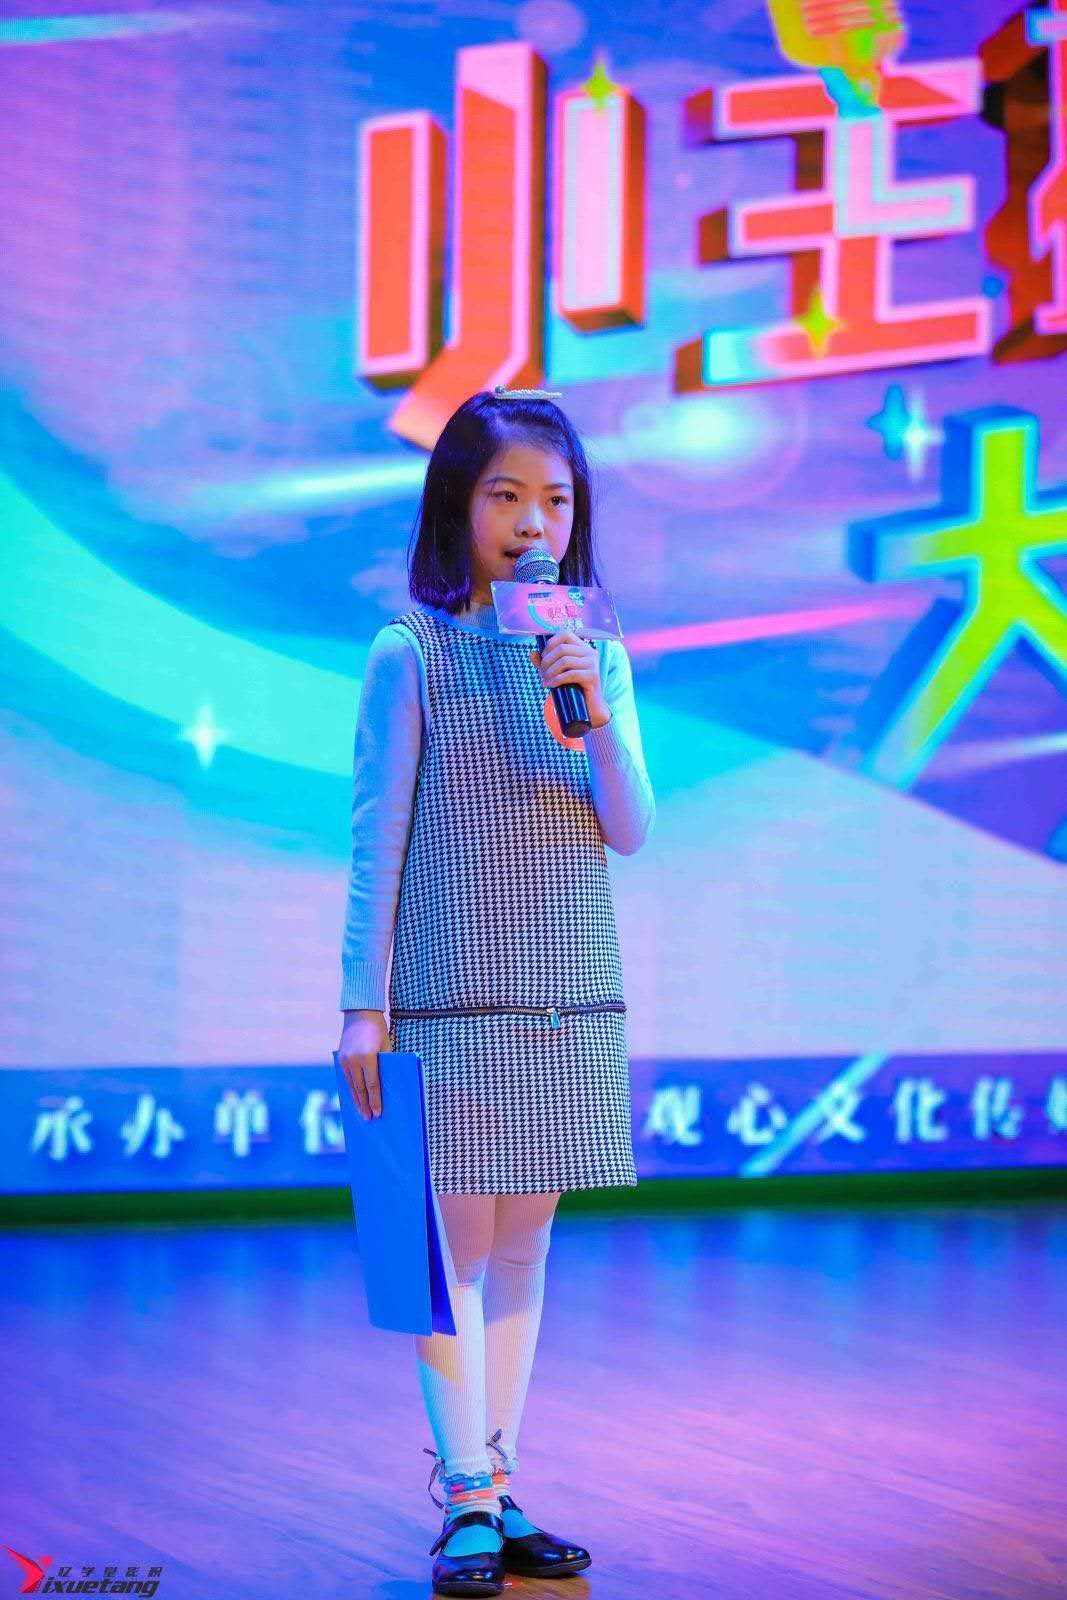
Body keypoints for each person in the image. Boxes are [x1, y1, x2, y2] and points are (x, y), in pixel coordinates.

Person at [336, 386, 655, 1597]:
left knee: (526, 1241)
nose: (533, 524)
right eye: (506, 496)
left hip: (569, 996)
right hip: (450, 998)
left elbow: (628, 826)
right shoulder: (409, 652)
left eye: (556, 501)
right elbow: (377, 836)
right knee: (449, 1249)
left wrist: (593, 716)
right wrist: (360, 1003)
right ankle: (463, 1491)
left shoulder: (594, 656)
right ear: (456, 507)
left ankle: (500, 1478)